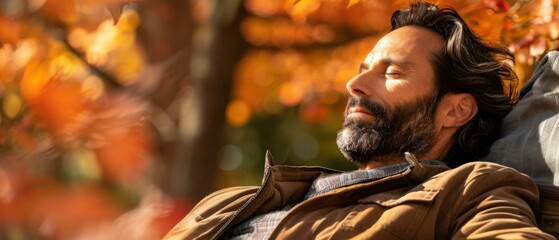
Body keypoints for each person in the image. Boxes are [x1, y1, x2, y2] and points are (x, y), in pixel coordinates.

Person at [164, 2, 555, 239]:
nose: (354, 84)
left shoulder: (470, 193)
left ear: (456, 110)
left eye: (392, 73)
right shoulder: (230, 202)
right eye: (362, 68)